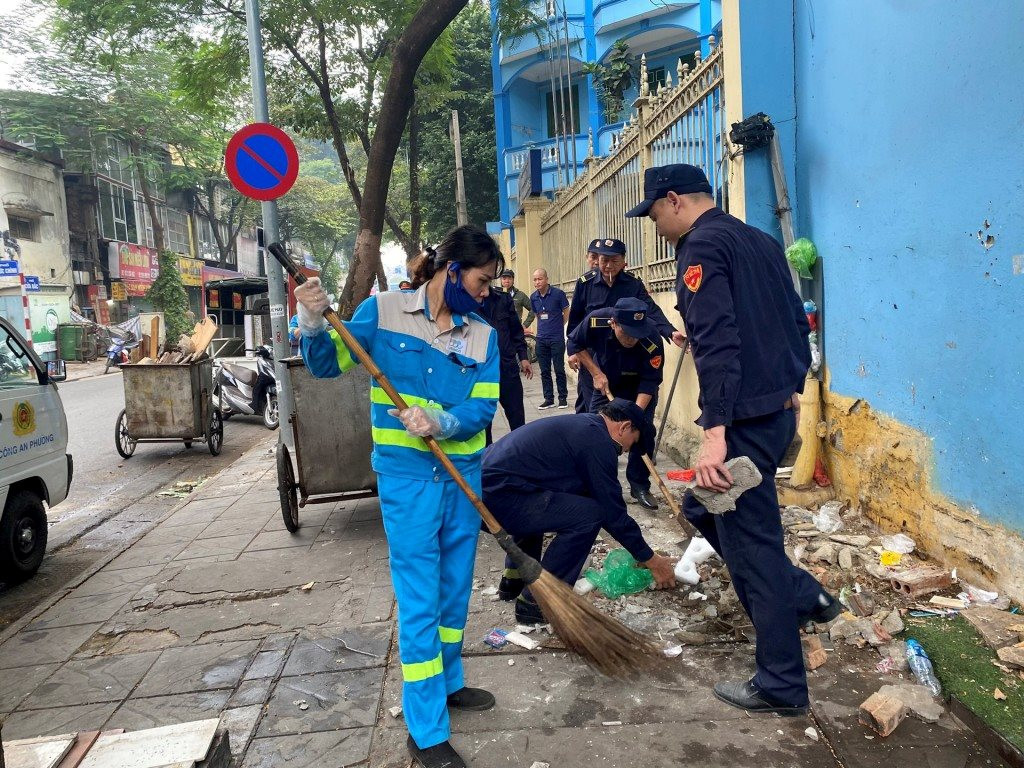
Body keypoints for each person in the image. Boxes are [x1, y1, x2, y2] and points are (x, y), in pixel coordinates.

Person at [626, 163, 840, 717]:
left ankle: (781, 685)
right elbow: (800, 323)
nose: (654, 226)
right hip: (774, 416)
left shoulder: (700, 249)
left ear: (673, 201)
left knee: (754, 551)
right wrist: (792, 386)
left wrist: (714, 433)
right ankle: (801, 595)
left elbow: (716, 342)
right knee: (701, 507)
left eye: (652, 213)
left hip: (740, 426)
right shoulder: (761, 242)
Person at [296, 225, 502, 768]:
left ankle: (450, 680)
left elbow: (483, 409)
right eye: (482, 282)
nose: (486, 293)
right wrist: (312, 321)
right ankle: (426, 728)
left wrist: (443, 419)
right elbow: (324, 365)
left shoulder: (482, 334)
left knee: (455, 589)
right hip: (408, 481)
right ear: (451, 271)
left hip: (463, 475)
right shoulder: (382, 311)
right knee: (419, 599)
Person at [482, 398, 676, 625]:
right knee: (590, 515)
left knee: (549, 503)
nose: (623, 452)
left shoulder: (583, 426)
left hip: (485, 494)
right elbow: (611, 512)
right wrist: (651, 559)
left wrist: (639, 552)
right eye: (629, 445)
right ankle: (537, 602)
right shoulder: (597, 442)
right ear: (624, 427)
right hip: (498, 499)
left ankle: (514, 580)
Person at [566, 238, 685, 413]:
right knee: (590, 403)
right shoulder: (586, 283)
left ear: (624, 262)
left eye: (614, 261)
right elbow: (575, 319)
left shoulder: (633, 283)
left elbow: (650, 310)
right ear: (597, 260)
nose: (608, 266)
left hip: (627, 350)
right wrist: (572, 351)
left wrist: (670, 331)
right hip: (593, 353)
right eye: (604, 260)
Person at [567, 298, 664, 510]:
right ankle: (595, 486)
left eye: (636, 334)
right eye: (627, 333)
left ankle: (639, 486)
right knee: (595, 432)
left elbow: (650, 381)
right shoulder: (596, 321)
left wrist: (635, 415)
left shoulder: (652, 339)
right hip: (606, 382)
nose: (632, 339)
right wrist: (595, 372)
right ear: (614, 323)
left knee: (643, 433)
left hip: (639, 387)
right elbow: (575, 343)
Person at [478, 287, 533, 443]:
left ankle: (521, 456)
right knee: (483, 425)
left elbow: (516, 330)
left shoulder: (503, 299)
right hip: (481, 373)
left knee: (517, 419)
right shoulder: (466, 302)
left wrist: (523, 357)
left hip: (507, 368)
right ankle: (488, 461)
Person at [528, 268, 570, 409]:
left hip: (556, 338)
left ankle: (562, 398)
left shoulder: (558, 294)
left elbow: (566, 312)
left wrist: (559, 325)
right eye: (535, 279)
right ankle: (549, 399)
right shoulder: (533, 297)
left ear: (546, 279)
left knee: (559, 369)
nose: (537, 282)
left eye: (540, 279)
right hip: (541, 339)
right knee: (544, 371)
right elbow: (537, 314)